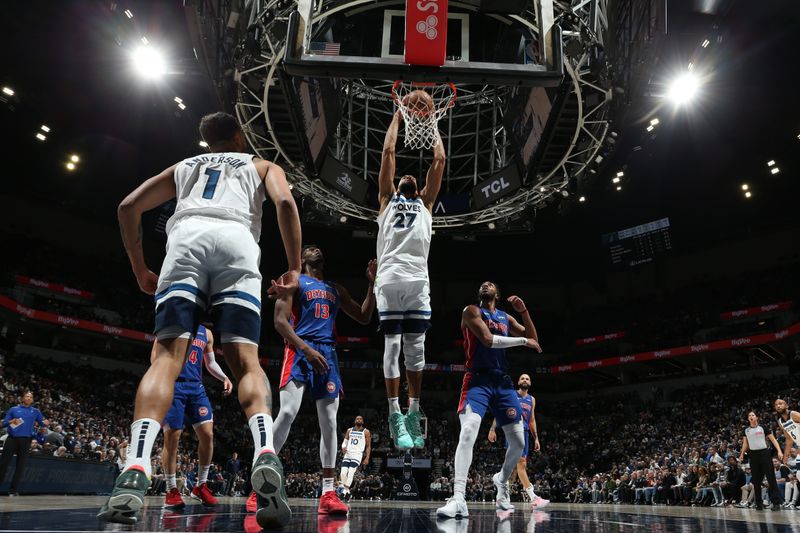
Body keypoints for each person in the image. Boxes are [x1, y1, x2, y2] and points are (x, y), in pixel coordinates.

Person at [98, 111, 302, 528]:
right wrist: (295, 268)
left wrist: (140, 269)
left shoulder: (185, 166)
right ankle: (265, 452)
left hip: (186, 241)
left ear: (206, 141)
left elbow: (127, 206)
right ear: (240, 136)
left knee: (166, 359)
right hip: (237, 243)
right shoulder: (261, 164)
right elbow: (284, 202)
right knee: (245, 361)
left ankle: (137, 464)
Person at [269, 246, 376, 515]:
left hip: (327, 353)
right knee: (288, 411)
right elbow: (280, 322)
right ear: (302, 259)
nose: (315, 248)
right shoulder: (293, 279)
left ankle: (328, 492)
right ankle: (262, 482)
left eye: (318, 247)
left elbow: (363, 316)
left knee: (329, 422)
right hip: (299, 350)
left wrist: (372, 284)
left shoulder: (335, 289)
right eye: (309, 247)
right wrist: (305, 349)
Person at [437, 281, 542, 519]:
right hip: (476, 380)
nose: (486, 284)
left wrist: (524, 313)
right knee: (469, 430)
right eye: (483, 284)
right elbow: (488, 340)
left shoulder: (506, 317)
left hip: (503, 383)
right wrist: (523, 342)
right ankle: (458, 497)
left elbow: (534, 339)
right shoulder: (471, 311)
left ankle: (501, 481)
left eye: (491, 283)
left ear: (498, 294)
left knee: (518, 443)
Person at [375, 110, 445, 450]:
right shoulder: (386, 200)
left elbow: (440, 158)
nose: (407, 176)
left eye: (412, 177)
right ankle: (394, 413)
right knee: (391, 347)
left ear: (418, 187)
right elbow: (388, 153)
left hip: (418, 279)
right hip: (388, 277)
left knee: (415, 351)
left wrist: (430, 121)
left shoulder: (427, 204)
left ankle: (413, 412)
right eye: (404, 175)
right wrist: (399, 116)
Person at [161, 324, 233, 509]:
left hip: (196, 387)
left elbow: (210, 363)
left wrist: (224, 377)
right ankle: (171, 490)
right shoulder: (175, 325)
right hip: (174, 385)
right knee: (172, 437)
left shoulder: (207, 333)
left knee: (208, 435)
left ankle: (201, 486)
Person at [488, 373, 549, 509]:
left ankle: (503, 495)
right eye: (522, 378)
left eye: (527, 378)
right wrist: (492, 429)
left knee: (514, 468)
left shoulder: (532, 400)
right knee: (521, 464)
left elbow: (532, 420)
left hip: (526, 433)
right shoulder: (511, 395)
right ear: (518, 382)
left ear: (530, 383)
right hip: (513, 430)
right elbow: (500, 412)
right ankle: (533, 496)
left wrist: (536, 438)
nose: (525, 380)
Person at [0, 391, 48, 496]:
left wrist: (45, 423)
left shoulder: (36, 411)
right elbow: (3, 424)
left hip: (26, 441)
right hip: (12, 439)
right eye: (26, 396)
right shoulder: (14, 409)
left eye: (30, 397)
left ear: (32, 400)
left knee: (20, 466)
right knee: (3, 463)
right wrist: (10, 422)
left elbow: (42, 423)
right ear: (22, 398)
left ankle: (13, 490)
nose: (28, 398)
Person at [739, 410, 782, 511]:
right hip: (753, 455)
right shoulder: (746, 430)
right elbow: (745, 444)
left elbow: (773, 440)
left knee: (771, 478)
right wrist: (741, 453)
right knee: (756, 481)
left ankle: (776, 503)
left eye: (753, 415)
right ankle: (759, 503)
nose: (751, 416)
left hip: (764, 454)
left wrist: (779, 451)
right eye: (749, 415)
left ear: (757, 417)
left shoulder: (763, 427)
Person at [339, 416, 372, 500]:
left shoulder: (366, 432)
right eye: (357, 419)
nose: (359, 420)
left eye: (361, 419)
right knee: (343, 473)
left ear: (363, 422)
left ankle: (343, 491)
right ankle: (347, 492)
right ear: (354, 421)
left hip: (357, 454)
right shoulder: (349, 430)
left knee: (350, 472)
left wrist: (367, 458)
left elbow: (368, 446)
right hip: (348, 453)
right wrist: (343, 447)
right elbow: (345, 442)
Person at [774, 398, 800, 465]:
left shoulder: (794, 414)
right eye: (776, 405)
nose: (778, 406)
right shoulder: (780, 422)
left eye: (780, 403)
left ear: (786, 406)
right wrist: (785, 456)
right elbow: (789, 439)